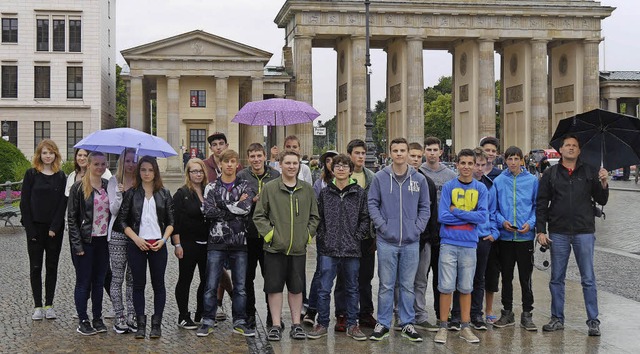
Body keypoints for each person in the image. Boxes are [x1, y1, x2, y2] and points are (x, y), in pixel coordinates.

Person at [536, 134, 609, 336]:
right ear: (560, 150)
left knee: (588, 278)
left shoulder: (590, 172)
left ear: (579, 150)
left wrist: (603, 183)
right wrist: (540, 230)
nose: (570, 148)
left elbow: (602, 199)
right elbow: (541, 203)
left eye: (574, 146)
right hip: (558, 232)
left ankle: (593, 321)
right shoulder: (550, 174)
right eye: (567, 145)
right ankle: (557, 318)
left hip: (584, 231)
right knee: (556, 278)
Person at [368, 137, 430, 342]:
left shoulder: (418, 179)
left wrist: (417, 228)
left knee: (407, 285)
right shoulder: (380, 177)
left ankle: (407, 323)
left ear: (407, 152)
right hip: (387, 241)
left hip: (411, 241)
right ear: (390, 153)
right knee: (386, 285)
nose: (400, 154)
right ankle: (383, 323)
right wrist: (383, 226)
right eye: (395, 151)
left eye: (403, 150)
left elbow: (425, 207)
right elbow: (373, 204)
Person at [253, 150, 320, 341]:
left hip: (298, 248)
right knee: (274, 288)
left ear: (299, 165)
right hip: (275, 247)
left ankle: (296, 324)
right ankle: (275, 324)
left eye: (295, 163)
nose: (292, 166)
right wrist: (271, 235)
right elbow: (259, 215)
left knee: (296, 288)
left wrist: (307, 235)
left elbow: (315, 217)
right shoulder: (270, 188)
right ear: (280, 165)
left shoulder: (306, 189)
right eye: (288, 163)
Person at [307, 154, 370, 341]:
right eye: (337, 166)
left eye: (344, 166)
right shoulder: (325, 193)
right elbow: (319, 218)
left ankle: (353, 324)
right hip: (329, 248)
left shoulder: (359, 192)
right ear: (332, 170)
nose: (341, 169)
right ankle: (323, 323)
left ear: (351, 170)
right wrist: (324, 238)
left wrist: (357, 237)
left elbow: (365, 218)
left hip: (351, 248)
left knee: (352, 288)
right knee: (324, 288)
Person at [196, 150, 256, 337]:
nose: (229, 164)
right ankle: (208, 319)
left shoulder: (246, 185)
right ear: (220, 164)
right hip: (216, 241)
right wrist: (233, 205)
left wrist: (222, 205)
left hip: (240, 242)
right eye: (226, 161)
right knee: (211, 284)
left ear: (237, 164)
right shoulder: (211, 187)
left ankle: (239, 320)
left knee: (240, 286)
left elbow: (245, 210)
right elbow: (208, 211)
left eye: (233, 161)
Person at [434, 149, 488, 345]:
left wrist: (456, 211)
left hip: (469, 244)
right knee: (446, 286)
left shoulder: (481, 189)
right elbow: (442, 217)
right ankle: (443, 327)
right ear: (456, 164)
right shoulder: (449, 186)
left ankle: (465, 327)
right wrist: (469, 217)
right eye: (462, 163)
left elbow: (482, 217)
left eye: (469, 163)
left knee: (466, 287)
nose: (466, 167)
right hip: (449, 242)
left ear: (475, 165)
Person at [118, 156, 175, 339]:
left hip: (158, 244)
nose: (147, 173)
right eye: (143, 170)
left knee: (159, 285)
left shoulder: (164, 193)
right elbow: (122, 221)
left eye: (150, 170)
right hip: (137, 245)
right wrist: (136, 239)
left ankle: (156, 325)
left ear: (155, 171)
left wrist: (164, 240)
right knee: (138, 285)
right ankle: (141, 324)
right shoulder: (132, 193)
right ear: (139, 171)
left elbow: (172, 221)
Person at [324, 139, 377, 331]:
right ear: (349, 156)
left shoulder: (372, 177)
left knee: (365, 277)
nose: (361, 156)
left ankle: (365, 312)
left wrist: (372, 233)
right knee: (342, 278)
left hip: (366, 236)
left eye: (363, 153)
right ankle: (342, 313)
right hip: (342, 238)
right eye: (357, 153)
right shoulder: (339, 177)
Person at [491, 146, 538, 331]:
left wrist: (531, 223)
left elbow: (536, 206)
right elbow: (493, 209)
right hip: (506, 237)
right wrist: (502, 222)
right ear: (505, 160)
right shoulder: (499, 181)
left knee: (526, 278)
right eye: (509, 159)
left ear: (522, 160)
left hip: (525, 236)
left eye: (516, 159)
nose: (512, 162)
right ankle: (507, 311)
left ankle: (527, 313)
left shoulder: (532, 180)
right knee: (507, 277)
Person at [20, 139, 67, 321]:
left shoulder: (61, 176)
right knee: (35, 267)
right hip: (35, 228)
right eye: (44, 153)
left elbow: (62, 204)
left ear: (56, 155)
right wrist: (30, 229)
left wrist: (55, 227)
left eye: (51, 152)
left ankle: (49, 304)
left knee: (52, 267)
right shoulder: (31, 174)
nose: (48, 156)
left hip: (54, 230)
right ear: (39, 155)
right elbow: (25, 203)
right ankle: (38, 305)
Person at [237, 143, 280, 329]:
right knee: (247, 278)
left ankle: (272, 315)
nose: (256, 160)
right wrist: (252, 202)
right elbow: (237, 204)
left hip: (269, 234)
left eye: (259, 156)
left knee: (271, 277)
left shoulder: (275, 176)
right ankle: (249, 314)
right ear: (248, 158)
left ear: (265, 156)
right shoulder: (242, 176)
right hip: (248, 234)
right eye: (252, 156)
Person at [68, 152, 111, 335]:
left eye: (103, 164)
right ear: (89, 165)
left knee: (99, 281)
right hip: (86, 241)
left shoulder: (108, 186)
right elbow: (72, 219)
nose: (100, 168)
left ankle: (97, 317)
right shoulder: (78, 188)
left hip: (103, 241)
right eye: (96, 164)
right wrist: (77, 245)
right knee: (84, 282)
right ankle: (83, 319)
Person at [419, 137, 457, 328]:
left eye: (435, 149)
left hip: (443, 233)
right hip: (424, 233)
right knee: (420, 277)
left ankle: (442, 313)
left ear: (441, 152)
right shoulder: (418, 172)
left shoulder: (450, 175)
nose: (432, 153)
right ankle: (420, 314)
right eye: (429, 149)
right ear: (425, 151)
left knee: (442, 277)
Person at [203, 132, 240, 322]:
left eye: (221, 144)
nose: (218, 147)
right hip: (212, 226)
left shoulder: (236, 165)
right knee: (216, 266)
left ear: (226, 145)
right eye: (215, 144)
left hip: (234, 227)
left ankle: (231, 301)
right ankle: (221, 302)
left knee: (229, 265)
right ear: (211, 148)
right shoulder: (205, 166)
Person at [172, 158, 210, 330]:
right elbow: (174, 222)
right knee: (185, 279)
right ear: (188, 173)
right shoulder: (181, 193)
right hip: (188, 243)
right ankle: (183, 315)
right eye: (194, 171)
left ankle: (200, 312)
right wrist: (177, 245)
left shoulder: (208, 191)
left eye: (200, 171)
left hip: (207, 243)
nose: (198, 174)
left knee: (206, 280)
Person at [406, 142, 439, 332]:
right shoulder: (392, 179)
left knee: (420, 280)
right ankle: (401, 314)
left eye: (419, 157)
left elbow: (432, 212)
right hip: (401, 239)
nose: (416, 160)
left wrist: (432, 238)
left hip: (423, 239)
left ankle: (420, 314)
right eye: (413, 156)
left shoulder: (428, 183)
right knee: (400, 281)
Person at [107, 148, 137, 334]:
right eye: (127, 161)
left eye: (134, 161)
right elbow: (113, 210)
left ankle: (132, 314)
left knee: (133, 279)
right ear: (122, 162)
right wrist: (119, 194)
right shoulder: (113, 180)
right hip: (117, 234)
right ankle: (119, 315)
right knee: (117, 277)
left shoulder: (140, 181)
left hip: (135, 236)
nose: (131, 164)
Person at [469, 148, 498, 331]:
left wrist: (494, 233)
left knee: (479, 278)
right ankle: (459, 313)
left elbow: (493, 212)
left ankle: (476, 313)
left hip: (483, 237)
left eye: (482, 165)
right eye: (476, 164)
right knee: (463, 278)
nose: (479, 169)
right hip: (465, 237)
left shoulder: (489, 185)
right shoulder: (459, 184)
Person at [479, 136, 502, 323]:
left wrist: (495, 232)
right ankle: (472, 310)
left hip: (492, 233)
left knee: (492, 273)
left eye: (493, 151)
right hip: (475, 234)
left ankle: (489, 309)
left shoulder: (499, 176)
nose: (490, 153)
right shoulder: (472, 173)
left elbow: (497, 207)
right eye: (487, 150)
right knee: (474, 274)